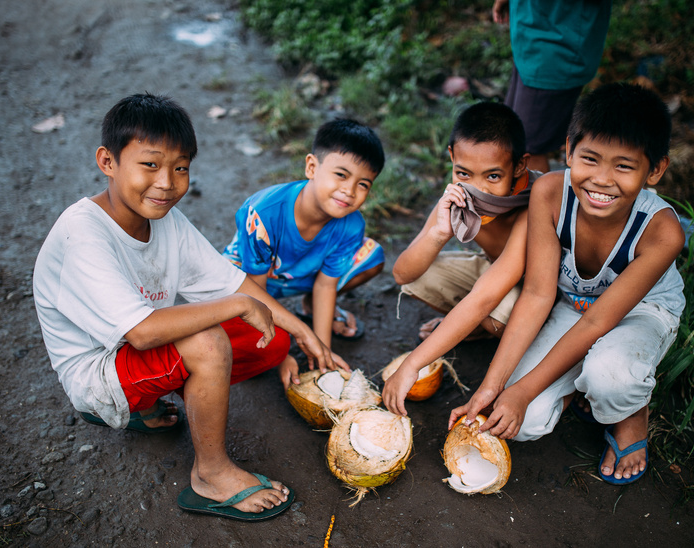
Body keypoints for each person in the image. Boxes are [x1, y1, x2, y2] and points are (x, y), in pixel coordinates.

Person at [33, 93, 341, 522]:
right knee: (208, 342)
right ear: (107, 161)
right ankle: (210, 475)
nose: (166, 182)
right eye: (150, 164)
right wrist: (238, 304)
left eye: (180, 168)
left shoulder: (165, 220)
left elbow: (234, 282)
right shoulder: (82, 234)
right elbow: (142, 332)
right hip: (96, 372)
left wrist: (305, 333)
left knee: (271, 339)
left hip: (133, 351)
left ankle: (156, 402)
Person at [449, 82, 685, 485]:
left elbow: (598, 323)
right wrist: (493, 386)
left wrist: (521, 391)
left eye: (624, 166)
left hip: (640, 313)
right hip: (572, 304)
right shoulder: (550, 193)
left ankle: (630, 412)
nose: (602, 180)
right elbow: (540, 294)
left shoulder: (662, 232)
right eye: (590, 159)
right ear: (568, 151)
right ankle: (579, 384)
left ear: (655, 170)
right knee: (518, 425)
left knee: (612, 376)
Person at [383, 101, 541, 416]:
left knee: (492, 310)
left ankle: (485, 332)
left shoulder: (536, 200)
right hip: (492, 274)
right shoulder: (458, 196)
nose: (477, 188)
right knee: (423, 271)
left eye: (493, 176)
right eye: (464, 173)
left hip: (534, 293)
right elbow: (402, 274)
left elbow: (486, 296)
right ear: (452, 156)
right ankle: (468, 326)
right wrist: (439, 233)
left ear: (520, 167)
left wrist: (414, 363)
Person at [223, 118, 385, 386]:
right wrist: (281, 353)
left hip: (298, 277)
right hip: (248, 281)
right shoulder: (264, 211)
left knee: (371, 255)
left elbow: (325, 286)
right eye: (341, 175)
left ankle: (307, 308)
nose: (349, 190)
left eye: (363, 184)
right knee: (228, 335)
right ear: (312, 167)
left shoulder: (351, 224)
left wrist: (322, 348)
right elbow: (254, 292)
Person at [492, 0, 612, 173]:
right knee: (510, 135)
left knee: (527, 149)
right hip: (532, 39)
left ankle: (536, 199)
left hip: (556, 46)